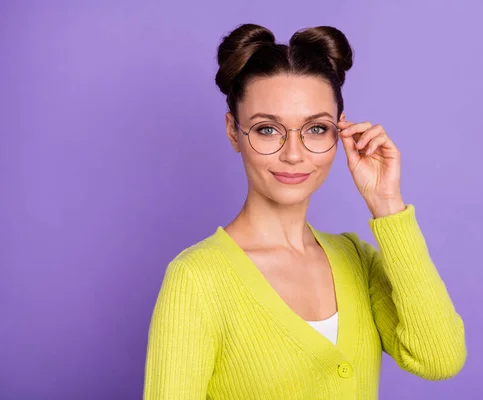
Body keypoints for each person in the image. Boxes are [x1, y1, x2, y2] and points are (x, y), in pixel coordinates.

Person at [143, 23, 466, 400]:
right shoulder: (197, 278)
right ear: (234, 131)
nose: (293, 154)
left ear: (340, 133)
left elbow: (439, 358)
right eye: (267, 130)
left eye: (315, 129)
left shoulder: (356, 260)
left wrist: (387, 204)